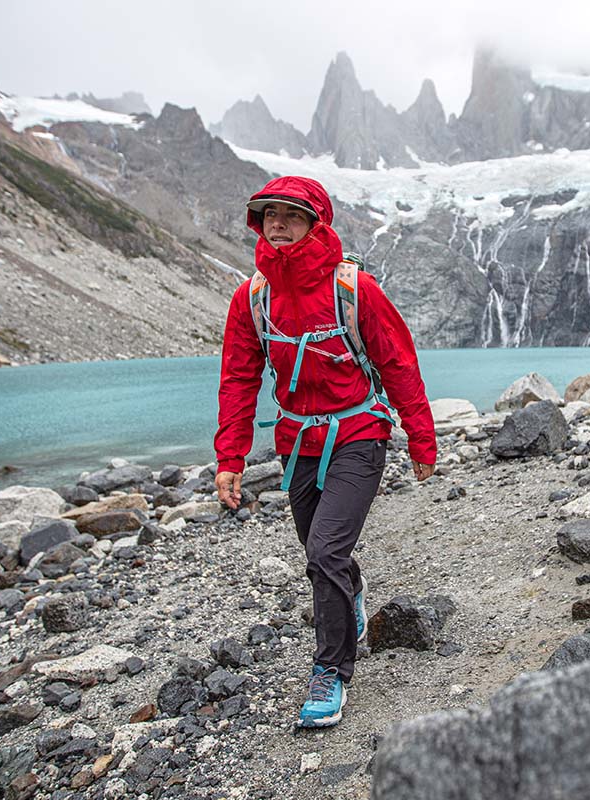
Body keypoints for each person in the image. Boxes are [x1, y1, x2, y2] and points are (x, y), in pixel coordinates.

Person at [213, 175, 437, 728]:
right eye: (269, 215)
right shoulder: (252, 298)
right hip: (297, 443)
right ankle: (352, 595)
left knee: (324, 551)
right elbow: (239, 379)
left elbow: (399, 364)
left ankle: (331, 672)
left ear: (317, 222)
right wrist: (230, 459)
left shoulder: (354, 290)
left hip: (359, 434)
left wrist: (421, 439)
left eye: (290, 214)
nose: (278, 224)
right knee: (321, 553)